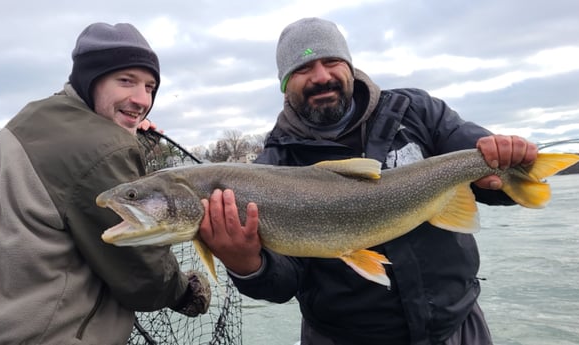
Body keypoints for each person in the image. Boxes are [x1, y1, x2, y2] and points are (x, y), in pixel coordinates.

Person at [199, 17, 539, 345]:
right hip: (342, 336)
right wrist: (246, 266)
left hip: (456, 325)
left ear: (349, 66)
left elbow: (500, 183)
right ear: (285, 84)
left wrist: (506, 160)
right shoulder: (272, 168)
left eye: (331, 61)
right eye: (302, 69)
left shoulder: (415, 111)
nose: (320, 76)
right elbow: (283, 282)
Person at [0, 22, 210, 344]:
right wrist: (186, 293)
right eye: (126, 81)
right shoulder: (102, 146)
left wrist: (123, 135)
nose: (141, 99)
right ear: (91, 79)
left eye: (150, 87)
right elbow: (142, 277)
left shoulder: (34, 117)